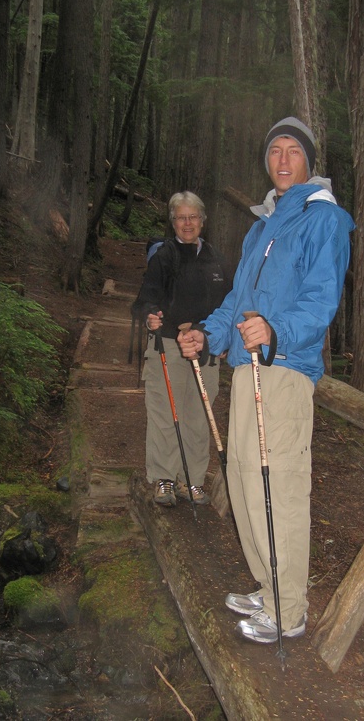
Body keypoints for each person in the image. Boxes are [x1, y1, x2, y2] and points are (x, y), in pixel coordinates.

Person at [178, 118, 355, 644]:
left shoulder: (325, 219)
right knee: (244, 482)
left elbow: (322, 300)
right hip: (247, 367)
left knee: (279, 487)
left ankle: (289, 609)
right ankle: (267, 585)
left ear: (309, 161)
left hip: (284, 369)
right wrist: (209, 336)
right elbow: (237, 301)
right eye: (274, 151)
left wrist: (275, 331)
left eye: (293, 152)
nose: (282, 160)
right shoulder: (263, 224)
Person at [132, 191, 231, 507]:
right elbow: (145, 299)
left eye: (192, 217)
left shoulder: (216, 260)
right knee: (166, 412)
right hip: (169, 346)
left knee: (199, 416)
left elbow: (227, 304)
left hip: (206, 348)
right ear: (172, 221)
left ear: (202, 220)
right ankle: (164, 478)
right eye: (180, 217)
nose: (187, 223)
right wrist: (150, 316)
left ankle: (192, 480)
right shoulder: (164, 256)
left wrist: (223, 339)